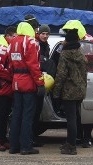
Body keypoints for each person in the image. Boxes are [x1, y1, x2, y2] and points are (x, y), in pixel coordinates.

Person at [51, 27, 88, 156]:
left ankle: (71, 146)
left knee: (71, 119)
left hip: (68, 91)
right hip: (79, 90)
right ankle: (70, 142)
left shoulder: (65, 55)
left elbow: (61, 75)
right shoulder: (81, 54)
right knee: (75, 117)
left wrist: (56, 93)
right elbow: (84, 74)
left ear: (67, 41)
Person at [8, 21, 43, 155]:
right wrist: (40, 83)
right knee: (28, 116)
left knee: (16, 114)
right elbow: (34, 65)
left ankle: (14, 146)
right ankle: (26, 146)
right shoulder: (31, 42)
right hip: (28, 81)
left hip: (16, 81)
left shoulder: (12, 42)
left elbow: (10, 64)